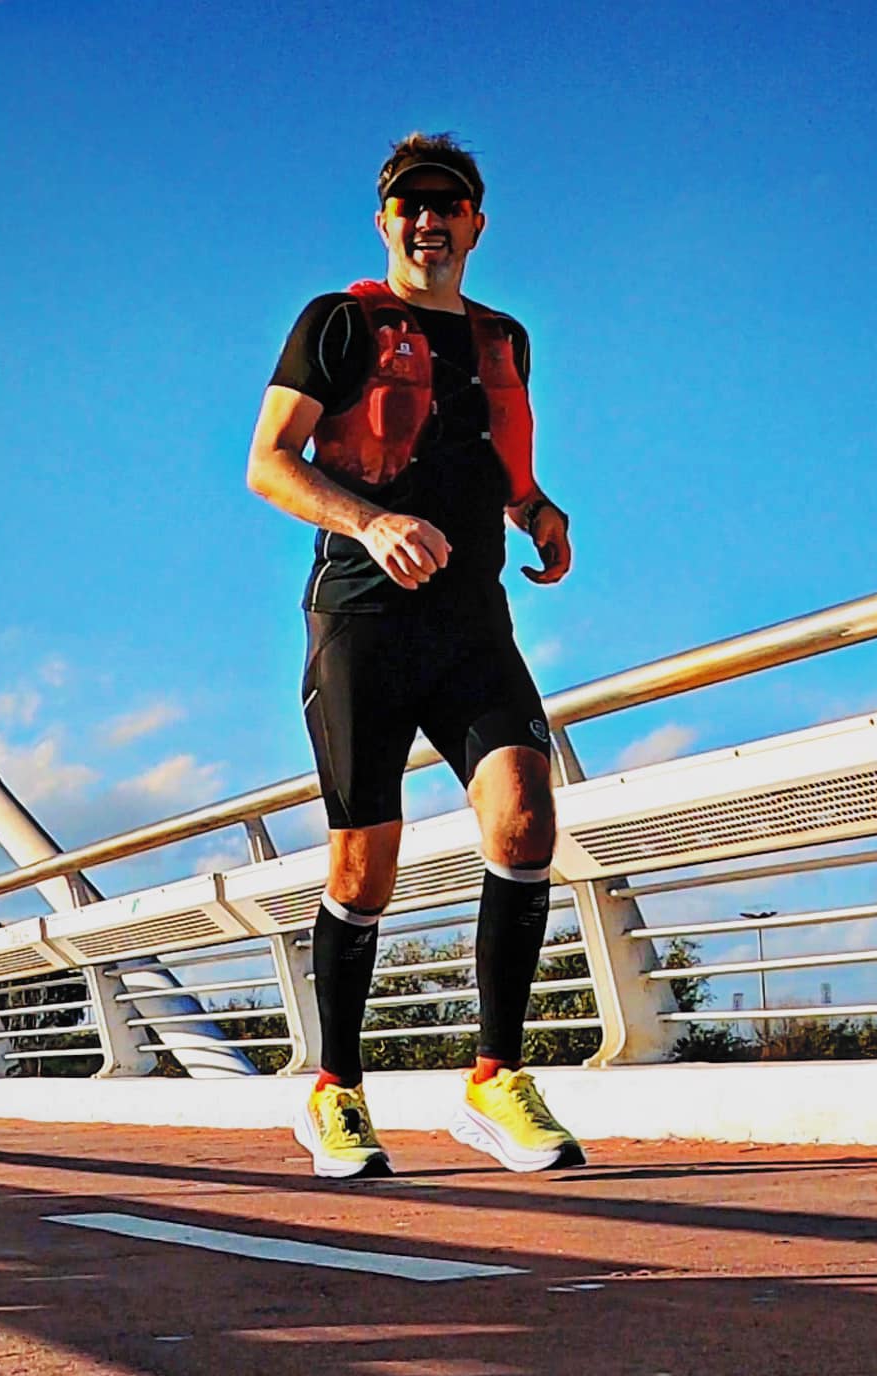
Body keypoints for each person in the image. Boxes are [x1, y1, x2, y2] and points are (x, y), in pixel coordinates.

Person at [247, 132, 586, 1180]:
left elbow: (483, 460)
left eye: (447, 205)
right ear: (384, 222)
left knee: (525, 821)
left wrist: (535, 508)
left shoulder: (505, 338)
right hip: (362, 622)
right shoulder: (337, 323)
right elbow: (268, 462)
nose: (428, 220)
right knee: (365, 868)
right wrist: (369, 521)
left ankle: (493, 1079)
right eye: (410, 205)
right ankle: (333, 1090)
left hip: (474, 620)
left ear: (476, 224)